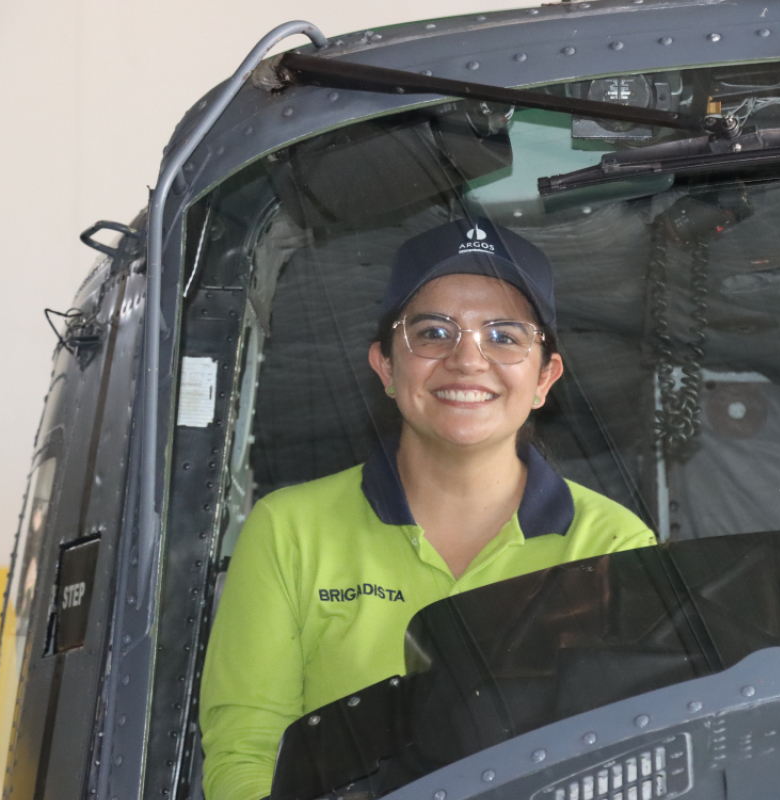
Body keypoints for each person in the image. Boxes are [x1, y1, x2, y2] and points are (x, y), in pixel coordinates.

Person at [199, 218, 658, 800]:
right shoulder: (290, 530)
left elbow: (633, 755)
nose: (468, 359)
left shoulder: (614, 546)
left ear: (546, 377)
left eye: (504, 335)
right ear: (386, 367)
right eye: (434, 332)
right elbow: (247, 748)